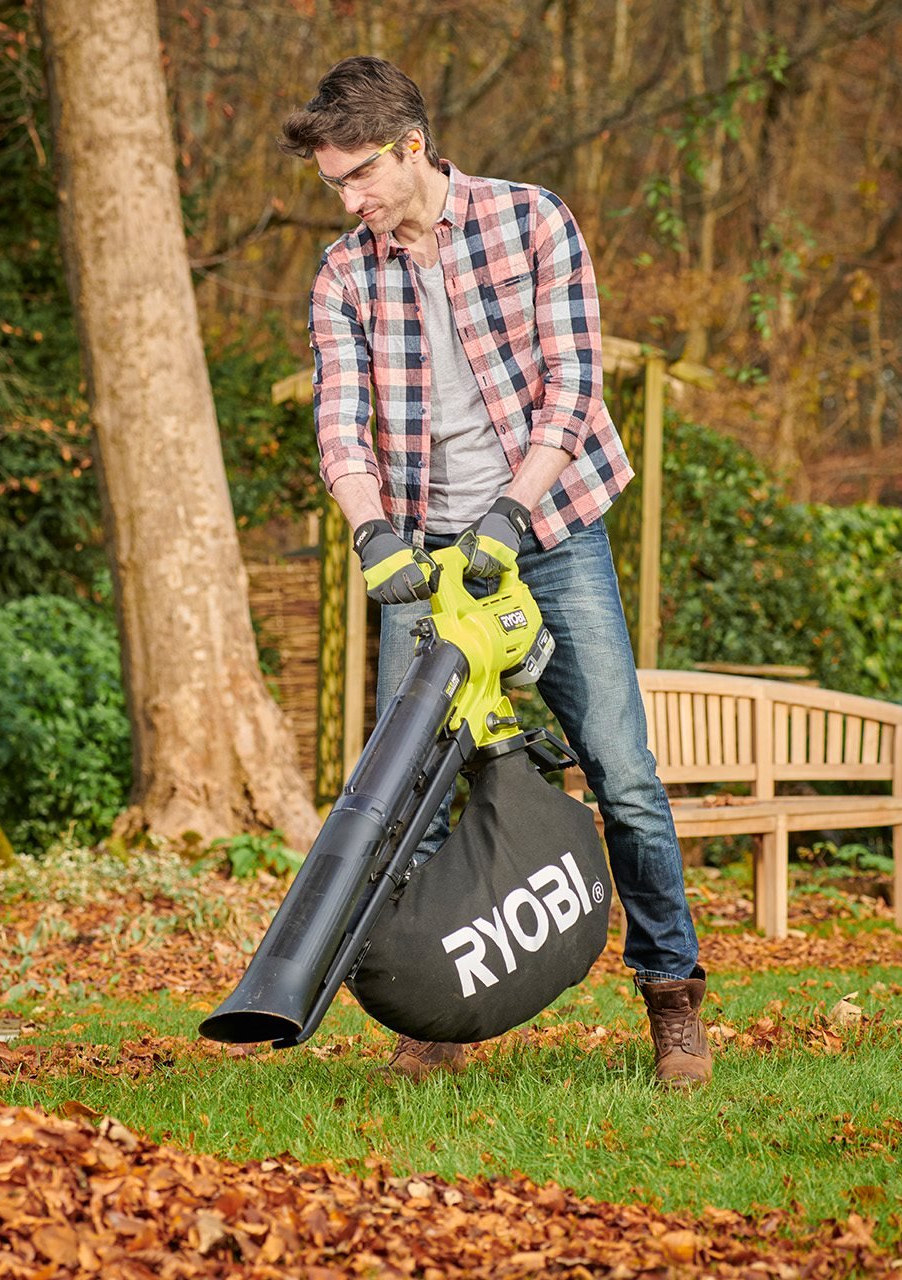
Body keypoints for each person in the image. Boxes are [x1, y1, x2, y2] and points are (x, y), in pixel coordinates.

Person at [281, 57, 711, 1088]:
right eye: (334, 185)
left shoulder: (532, 221)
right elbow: (341, 422)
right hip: (427, 559)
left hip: (552, 530)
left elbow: (573, 388)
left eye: (356, 179)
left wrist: (512, 514)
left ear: (411, 147)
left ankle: (672, 997)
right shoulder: (346, 273)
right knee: (414, 791)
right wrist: (371, 532)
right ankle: (438, 1013)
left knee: (624, 773)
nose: (348, 203)